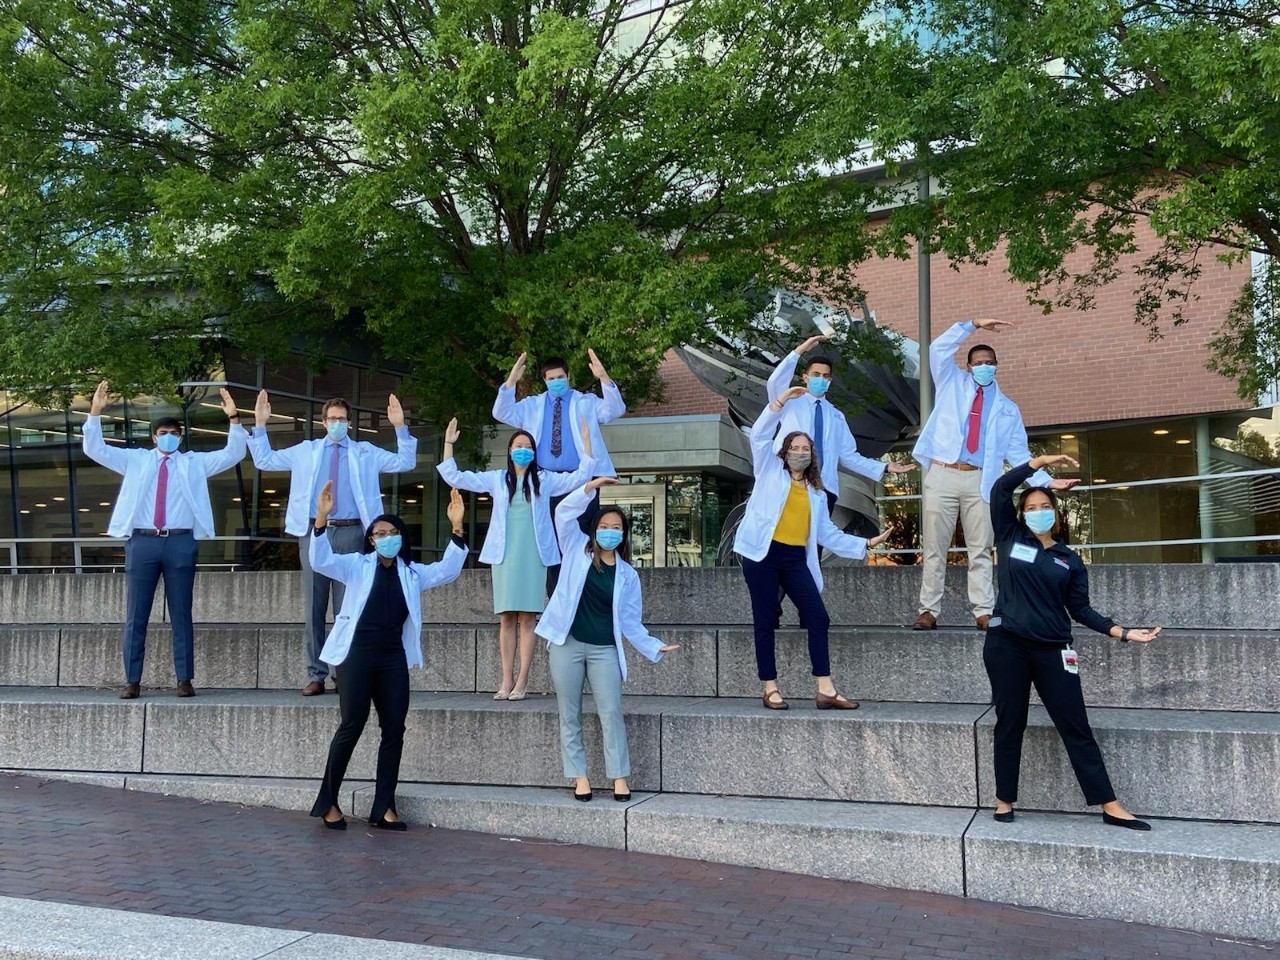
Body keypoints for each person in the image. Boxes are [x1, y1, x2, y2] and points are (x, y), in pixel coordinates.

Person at [984, 454, 1161, 829]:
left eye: (1044, 506)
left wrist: (1124, 632)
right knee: (1010, 721)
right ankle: (1004, 800)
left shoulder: (1069, 559)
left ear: (1056, 512)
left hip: (1054, 649)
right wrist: (1039, 464)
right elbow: (1000, 488)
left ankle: (1109, 805)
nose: (1037, 512)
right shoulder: (1009, 536)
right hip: (1007, 646)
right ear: (1021, 514)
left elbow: (1080, 609)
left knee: (1075, 725)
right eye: (1031, 507)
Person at [308, 482, 469, 832]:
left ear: (401, 536)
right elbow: (321, 560)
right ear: (370, 540)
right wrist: (321, 519)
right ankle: (328, 801)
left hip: (393, 656)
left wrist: (457, 528)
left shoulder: (412, 573)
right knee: (352, 724)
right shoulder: (356, 565)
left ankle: (384, 807)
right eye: (379, 533)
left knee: (394, 728)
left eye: (392, 532)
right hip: (356, 653)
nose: (386, 538)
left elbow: (448, 570)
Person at [81, 380, 248, 699]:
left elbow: (234, 452)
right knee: (136, 614)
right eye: (162, 433)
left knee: (181, 613)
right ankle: (132, 679)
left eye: (174, 433)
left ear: (180, 437)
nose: (168, 438)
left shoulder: (193, 463)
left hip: (180, 542)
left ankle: (184, 679)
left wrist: (234, 419)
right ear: (153, 437)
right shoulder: (136, 460)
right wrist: (95, 413)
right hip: (143, 541)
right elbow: (95, 449)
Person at [249, 391, 417, 696]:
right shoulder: (306, 450)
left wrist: (399, 427)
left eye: (342, 419)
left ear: (349, 423)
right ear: (323, 421)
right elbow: (264, 460)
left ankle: (345, 671)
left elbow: (405, 461)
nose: (337, 423)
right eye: (332, 419)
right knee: (314, 606)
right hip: (316, 531)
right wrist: (260, 426)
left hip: (353, 533)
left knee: (348, 606)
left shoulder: (365, 452)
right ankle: (316, 673)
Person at [911, 318, 1074, 631]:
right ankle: (928, 610)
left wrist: (1048, 482)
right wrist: (971, 324)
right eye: (977, 363)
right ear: (969, 366)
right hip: (943, 473)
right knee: (935, 547)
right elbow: (937, 349)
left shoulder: (1007, 409)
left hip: (981, 479)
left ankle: (983, 611)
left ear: (996, 366)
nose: (983, 367)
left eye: (989, 363)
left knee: (981, 549)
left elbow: (1020, 456)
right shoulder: (951, 382)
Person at [733, 389, 892, 711]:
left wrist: (865, 543)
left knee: (818, 617)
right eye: (795, 448)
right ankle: (770, 687)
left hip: (794, 560)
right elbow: (761, 435)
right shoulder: (768, 472)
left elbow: (826, 533)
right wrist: (778, 403)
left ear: (812, 455)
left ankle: (825, 689)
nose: (800, 453)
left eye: (806, 449)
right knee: (764, 620)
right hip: (761, 556)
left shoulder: (817, 492)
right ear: (784, 451)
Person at [535, 478, 680, 802]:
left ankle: (619, 777)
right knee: (569, 712)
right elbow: (563, 514)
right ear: (594, 529)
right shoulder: (575, 550)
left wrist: (654, 645)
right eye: (604, 525)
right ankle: (580, 777)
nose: (610, 531)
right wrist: (591, 486)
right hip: (567, 645)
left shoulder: (628, 574)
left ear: (624, 534)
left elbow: (630, 621)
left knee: (611, 712)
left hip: (605, 650)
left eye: (616, 527)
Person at [437, 416, 595, 701]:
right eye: (518, 445)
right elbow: (455, 477)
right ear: (509, 451)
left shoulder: (544, 480)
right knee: (507, 618)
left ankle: (523, 681)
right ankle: (506, 678)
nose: (523, 450)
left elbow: (581, 476)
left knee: (528, 619)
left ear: (534, 453)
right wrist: (448, 444)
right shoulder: (497, 479)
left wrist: (586, 443)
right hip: (505, 554)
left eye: (528, 446)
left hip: (533, 554)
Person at [492, 350, 625, 579]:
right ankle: (556, 596)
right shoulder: (532, 405)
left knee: (585, 534)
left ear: (568, 376)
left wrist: (604, 378)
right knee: (550, 539)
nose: (556, 382)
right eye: (551, 379)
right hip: (547, 481)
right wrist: (512, 380)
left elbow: (614, 410)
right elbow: (501, 412)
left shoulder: (585, 402)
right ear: (544, 381)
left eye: (560, 377)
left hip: (582, 478)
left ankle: (585, 587)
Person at [766, 334, 916, 514]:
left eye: (825, 376)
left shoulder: (836, 416)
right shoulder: (790, 403)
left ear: (830, 381)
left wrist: (885, 467)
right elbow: (775, 382)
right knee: (788, 540)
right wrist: (800, 351)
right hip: (790, 484)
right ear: (805, 378)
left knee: (816, 541)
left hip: (824, 489)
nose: (821, 379)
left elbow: (848, 456)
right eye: (816, 375)